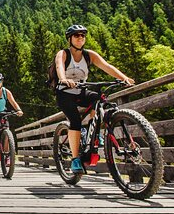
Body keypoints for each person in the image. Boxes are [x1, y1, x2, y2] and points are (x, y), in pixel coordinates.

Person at [55, 24, 134, 173]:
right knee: (76, 121)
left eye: (82, 36)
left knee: (100, 100)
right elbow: (59, 66)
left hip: (81, 91)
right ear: (70, 39)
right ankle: (75, 159)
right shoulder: (63, 54)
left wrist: (124, 78)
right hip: (64, 93)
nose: (80, 38)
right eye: (76, 35)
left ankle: (94, 133)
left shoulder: (89, 55)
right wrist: (63, 79)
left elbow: (107, 66)